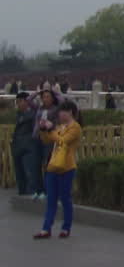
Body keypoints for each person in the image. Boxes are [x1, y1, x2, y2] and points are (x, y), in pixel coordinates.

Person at [34, 99, 81, 239]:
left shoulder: (75, 128)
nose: (59, 114)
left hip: (67, 167)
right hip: (53, 166)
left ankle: (66, 228)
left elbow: (63, 141)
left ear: (70, 112)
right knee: (51, 199)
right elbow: (47, 140)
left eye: (62, 111)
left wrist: (51, 130)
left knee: (65, 198)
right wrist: (44, 129)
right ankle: (46, 228)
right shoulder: (60, 127)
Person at [10, 92, 41, 197]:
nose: (18, 104)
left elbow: (35, 132)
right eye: (17, 102)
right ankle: (22, 195)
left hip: (28, 149)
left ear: (26, 102)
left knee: (29, 173)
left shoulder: (33, 114)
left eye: (19, 101)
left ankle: (30, 196)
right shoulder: (19, 114)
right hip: (18, 148)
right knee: (20, 175)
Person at [32, 88, 61, 200]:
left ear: (52, 98)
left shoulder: (55, 109)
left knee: (47, 164)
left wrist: (55, 92)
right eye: (44, 97)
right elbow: (29, 100)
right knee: (36, 164)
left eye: (48, 97)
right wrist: (38, 92)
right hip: (37, 137)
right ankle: (38, 190)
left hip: (48, 138)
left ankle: (47, 190)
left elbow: (62, 101)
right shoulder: (39, 108)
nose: (45, 99)